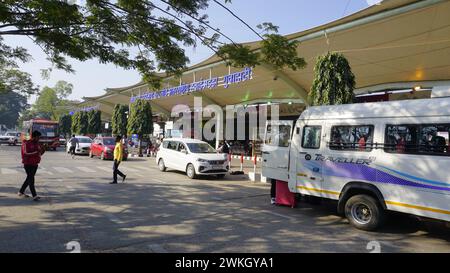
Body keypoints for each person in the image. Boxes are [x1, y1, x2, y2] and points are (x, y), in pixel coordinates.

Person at [18, 131, 45, 201]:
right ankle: (34, 195)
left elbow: (39, 154)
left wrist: (44, 150)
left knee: (29, 178)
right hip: (28, 163)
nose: (39, 139)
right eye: (38, 137)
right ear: (34, 136)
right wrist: (36, 152)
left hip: (35, 164)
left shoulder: (37, 144)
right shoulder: (26, 143)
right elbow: (25, 153)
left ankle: (21, 191)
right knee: (31, 179)